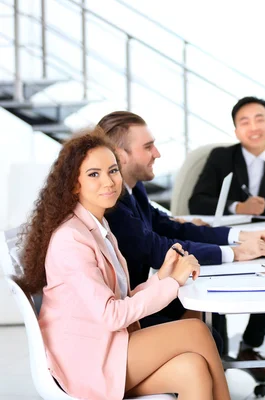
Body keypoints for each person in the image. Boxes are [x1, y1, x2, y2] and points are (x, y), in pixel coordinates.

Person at [16, 133, 230, 400]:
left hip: (106, 345)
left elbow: (120, 299)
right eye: (94, 174)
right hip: (87, 360)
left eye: (113, 170)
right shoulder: (71, 238)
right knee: (196, 331)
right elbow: (113, 315)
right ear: (74, 184)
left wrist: (163, 275)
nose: (109, 181)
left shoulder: (97, 225)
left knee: (192, 368)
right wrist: (173, 284)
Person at [97, 111, 265, 380]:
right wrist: (234, 253)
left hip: (139, 297)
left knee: (208, 309)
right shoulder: (115, 206)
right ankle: (207, 380)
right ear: (119, 155)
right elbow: (157, 248)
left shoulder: (134, 190)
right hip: (129, 311)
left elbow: (171, 227)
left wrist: (237, 238)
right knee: (208, 330)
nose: (157, 153)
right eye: (147, 147)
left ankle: (210, 382)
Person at [188, 96, 265, 217]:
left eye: (260, 120)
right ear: (236, 132)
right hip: (228, 232)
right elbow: (197, 203)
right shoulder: (220, 157)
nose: (254, 128)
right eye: (245, 122)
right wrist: (238, 207)